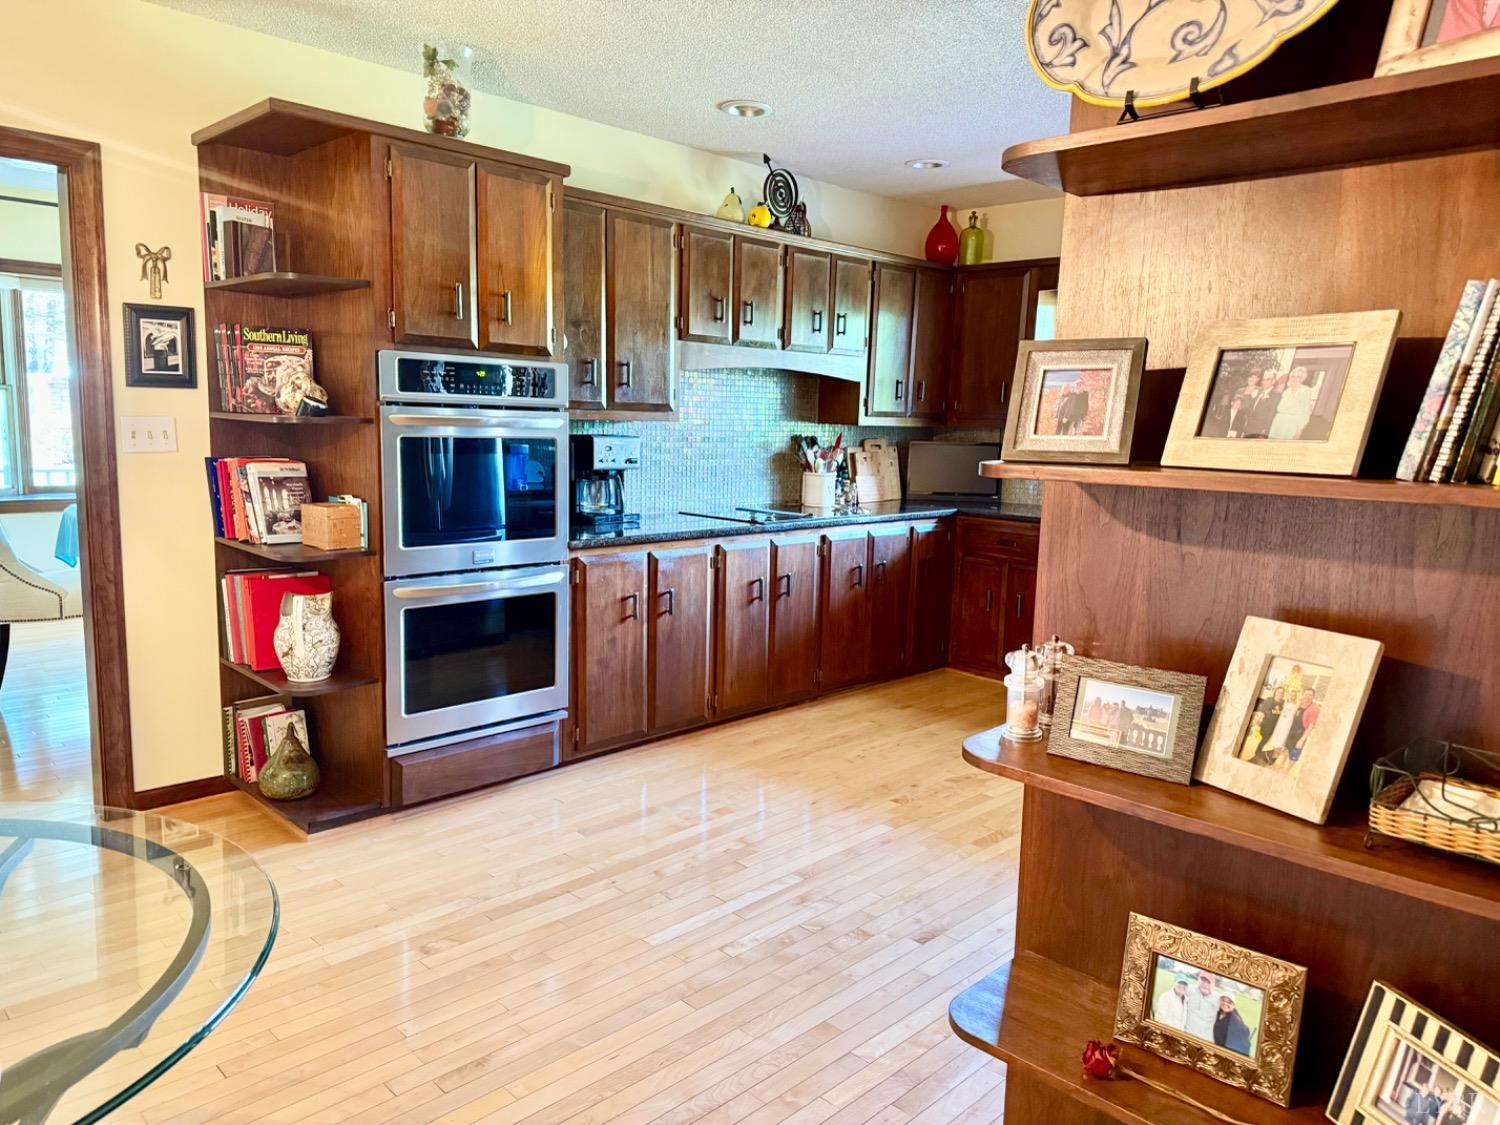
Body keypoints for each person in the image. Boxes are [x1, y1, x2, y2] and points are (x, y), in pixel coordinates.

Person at [1269, 366, 1315, 439]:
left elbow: (1305, 413)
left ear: (1303, 378)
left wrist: (1299, 430)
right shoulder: (1286, 391)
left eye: (1298, 377)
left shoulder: (1305, 391)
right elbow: (1279, 408)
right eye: (1293, 376)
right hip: (1279, 421)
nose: (1295, 378)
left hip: (1292, 424)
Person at [1285, 688, 1320, 767]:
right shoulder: (1299, 704)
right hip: (1291, 733)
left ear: (1313, 697)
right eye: (1306, 694)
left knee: (1293, 756)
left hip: (1300, 735)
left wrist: (1302, 740)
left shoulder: (1314, 709)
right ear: (1303, 695)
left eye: (1310, 695)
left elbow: (1311, 726)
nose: (1307, 696)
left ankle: (1287, 770)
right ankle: (1282, 766)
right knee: (1287, 751)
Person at [1184, 970, 1219, 1041]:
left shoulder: (1218, 998)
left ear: (1213, 984)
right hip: (1188, 1036)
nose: (1205, 984)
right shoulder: (1189, 990)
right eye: (1203, 980)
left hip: (1206, 1040)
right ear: (1198, 980)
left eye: (1208, 982)